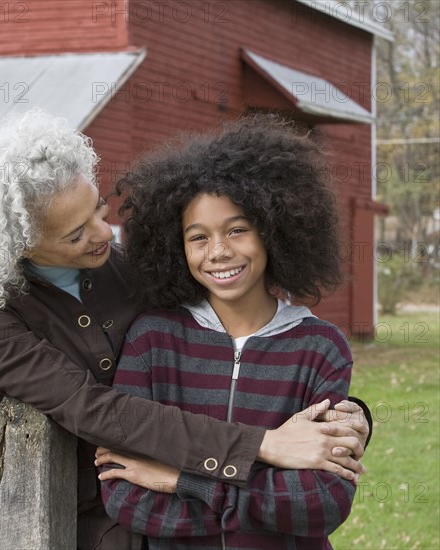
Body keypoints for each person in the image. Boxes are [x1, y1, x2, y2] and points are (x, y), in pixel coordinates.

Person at [0, 109, 369, 550]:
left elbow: (235, 338)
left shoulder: (128, 267)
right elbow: (92, 407)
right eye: (74, 235)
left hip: (176, 501)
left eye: (98, 210)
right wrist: (261, 445)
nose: (103, 232)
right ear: (23, 245)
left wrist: (342, 416)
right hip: (86, 517)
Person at [96, 114, 362, 549]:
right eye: (197, 237)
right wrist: (261, 497)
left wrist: (183, 481)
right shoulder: (152, 340)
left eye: (237, 230)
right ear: (175, 245)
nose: (218, 252)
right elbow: (128, 496)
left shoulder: (320, 347)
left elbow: (322, 503)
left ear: (273, 231)